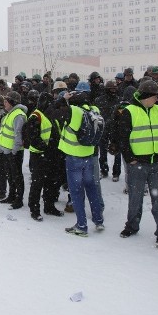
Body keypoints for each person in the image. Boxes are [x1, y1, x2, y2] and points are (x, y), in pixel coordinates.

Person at [117, 79, 158, 248]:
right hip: (137, 164)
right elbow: (122, 138)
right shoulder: (129, 112)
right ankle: (132, 226)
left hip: (157, 163)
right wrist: (130, 158)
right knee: (135, 197)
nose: (157, 99)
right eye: (155, 96)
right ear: (145, 96)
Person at [53, 83, 104, 237]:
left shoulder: (73, 111)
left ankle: (81, 225)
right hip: (89, 154)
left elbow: (54, 113)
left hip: (74, 157)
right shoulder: (94, 110)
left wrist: (63, 99)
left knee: (76, 191)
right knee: (92, 188)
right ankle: (99, 219)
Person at [26, 92, 61, 221]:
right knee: (37, 183)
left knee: (51, 182)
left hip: (52, 155)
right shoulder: (36, 116)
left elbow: (56, 134)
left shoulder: (52, 116)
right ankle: (34, 209)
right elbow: (33, 137)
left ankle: (49, 206)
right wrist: (45, 149)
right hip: (39, 155)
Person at [0, 91, 27, 209]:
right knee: (10, 175)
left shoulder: (18, 115)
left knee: (17, 176)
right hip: (6, 150)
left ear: (12, 102)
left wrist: (14, 151)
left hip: (14, 152)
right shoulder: (9, 113)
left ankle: (19, 199)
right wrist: (0, 147)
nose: (4, 103)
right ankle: (11, 195)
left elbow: (18, 135)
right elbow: (3, 132)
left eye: (6, 101)